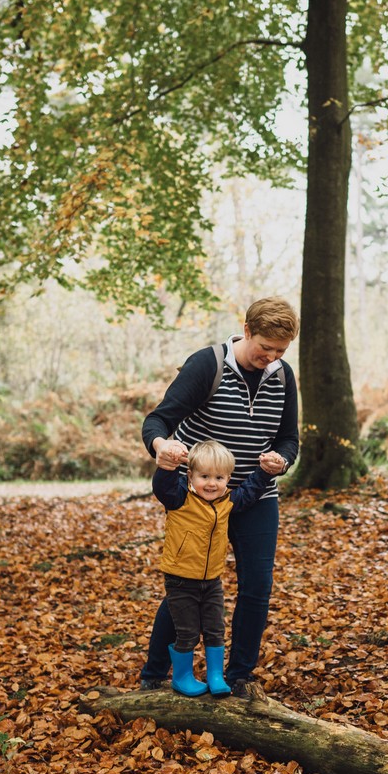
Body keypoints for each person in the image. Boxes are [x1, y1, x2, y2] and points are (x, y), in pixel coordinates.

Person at [140, 297, 300, 696]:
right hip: (201, 499)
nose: (272, 357)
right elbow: (158, 419)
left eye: (281, 350)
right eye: (265, 347)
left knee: (257, 586)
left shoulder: (283, 376)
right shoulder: (207, 364)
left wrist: (283, 460)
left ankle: (239, 675)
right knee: (187, 585)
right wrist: (161, 445)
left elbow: (289, 438)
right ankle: (154, 673)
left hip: (256, 496)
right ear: (247, 331)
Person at [151, 439, 274, 696]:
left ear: (228, 478)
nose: (211, 483)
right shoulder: (179, 498)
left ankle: (216, 675)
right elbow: (162, 486)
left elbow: (250, 492)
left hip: (212, 581)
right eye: (204, 476)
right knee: (187, 631)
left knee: (215, 629)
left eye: (219, 477)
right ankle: (182, 677)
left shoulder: (227, 502)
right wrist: (167, 467)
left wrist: (264, 472)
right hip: (181, 579)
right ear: (190, 476)